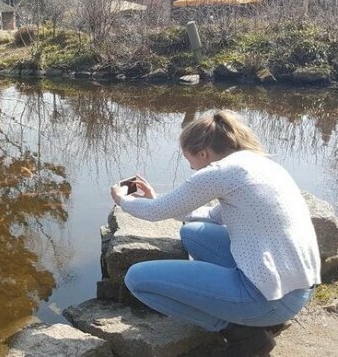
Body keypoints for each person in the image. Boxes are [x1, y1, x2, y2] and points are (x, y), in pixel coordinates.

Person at [110, 110, 321, 357]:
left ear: (203, 153)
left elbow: (156, 212)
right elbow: (209, 216)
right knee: (191, 233)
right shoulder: (257, 164)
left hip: (271, 300)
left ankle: (243, 334)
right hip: (298, 288)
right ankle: (253, 314)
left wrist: (123, 200)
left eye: (190, 161)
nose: (191, 168)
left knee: (136, 279)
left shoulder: (219, 172)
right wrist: (156, 200)